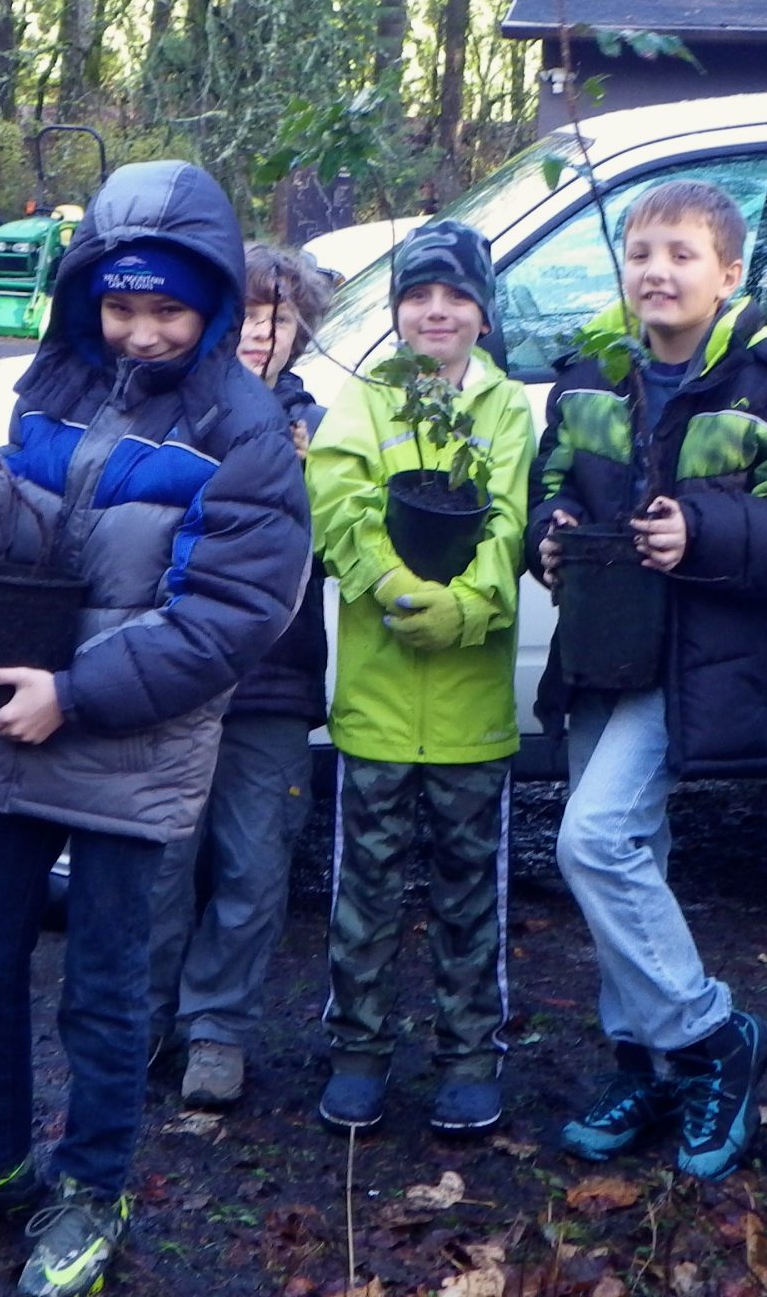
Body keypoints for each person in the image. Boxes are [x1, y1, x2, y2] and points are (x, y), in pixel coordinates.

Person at [0, 161, 311, 1297]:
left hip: (127, 747)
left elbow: (228, 618)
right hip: (16, 729)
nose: (144, 329)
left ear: (211, 305)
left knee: (107, 987)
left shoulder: (246, 431)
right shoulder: (57, 387)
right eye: (122, 304)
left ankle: (92, 1189)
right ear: (86, 299)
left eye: (168, 308)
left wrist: (78, 692)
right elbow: (6, 546)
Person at [526, 178, 767, 1179]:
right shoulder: (591, 377)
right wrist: (543, 540)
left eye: (681, 254)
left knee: (592, 842)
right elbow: (548, 484)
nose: (657, 271)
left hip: (697, 661)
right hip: (601, 647)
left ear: (729, 273)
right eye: (641, 252)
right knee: (623, 855)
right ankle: (644, 1060)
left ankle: (715, 1038)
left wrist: (706, 530)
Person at [305, 221, 535, 1134]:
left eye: (456, 296)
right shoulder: (364, 400)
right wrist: (395, 585)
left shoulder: (507, 408)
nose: (437, 311)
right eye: (418, 295)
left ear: (483, 311)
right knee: (364, 888)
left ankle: (469, 1055)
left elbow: (511, 520)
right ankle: (358, 1049)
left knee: (468, 887)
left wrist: (468, 606)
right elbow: (341, 501)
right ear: (396, 310)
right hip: (378, 699)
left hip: (473, 706)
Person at [146, 244, 333, 1109]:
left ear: (303, 330)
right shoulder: (171, 407)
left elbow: (338, 545)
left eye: (279, 317)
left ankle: (217, 1027)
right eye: (248, 314)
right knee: (158, 858)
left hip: (272, 681)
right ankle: (143, 1017)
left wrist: (302, 478)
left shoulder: (324, 427)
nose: (260, 334)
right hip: (174, 672)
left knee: (254, 860)